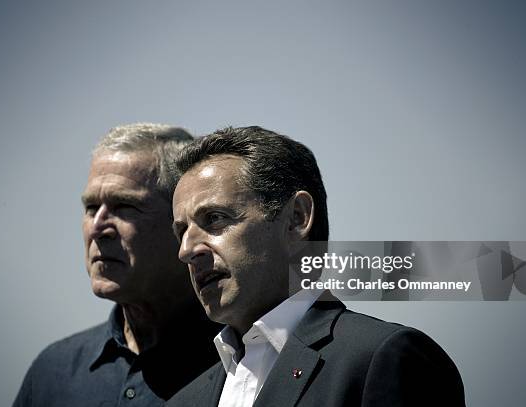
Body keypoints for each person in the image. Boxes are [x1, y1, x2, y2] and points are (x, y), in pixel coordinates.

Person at [168, 126, 465, 406]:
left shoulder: (383, 359)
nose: (187, 250)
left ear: (297, 218)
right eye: (181, 232)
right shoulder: (183, 401)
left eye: (215, 218)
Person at [13, 123, 219, 407]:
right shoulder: (53, 371)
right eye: (90, 208)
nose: (98, 228)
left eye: (124, 206)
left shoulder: (244, 360)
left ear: (182, 222)